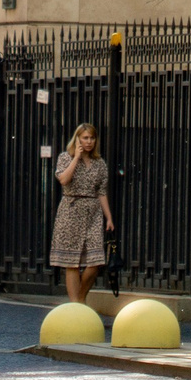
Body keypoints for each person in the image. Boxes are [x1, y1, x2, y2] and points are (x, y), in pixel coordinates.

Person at [49, 122, 114, 303]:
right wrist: (76, 158)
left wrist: (108, 217)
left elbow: (102, 191)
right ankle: (76, 305)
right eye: (85, 138)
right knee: (72, 262)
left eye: (92, 138)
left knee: (95, 261)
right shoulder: (65, 158)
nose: (89, 141)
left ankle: (79, 299)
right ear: (77, 139)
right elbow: (63, 179)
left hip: (92, 212)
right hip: (71, 210)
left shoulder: (99, 163)